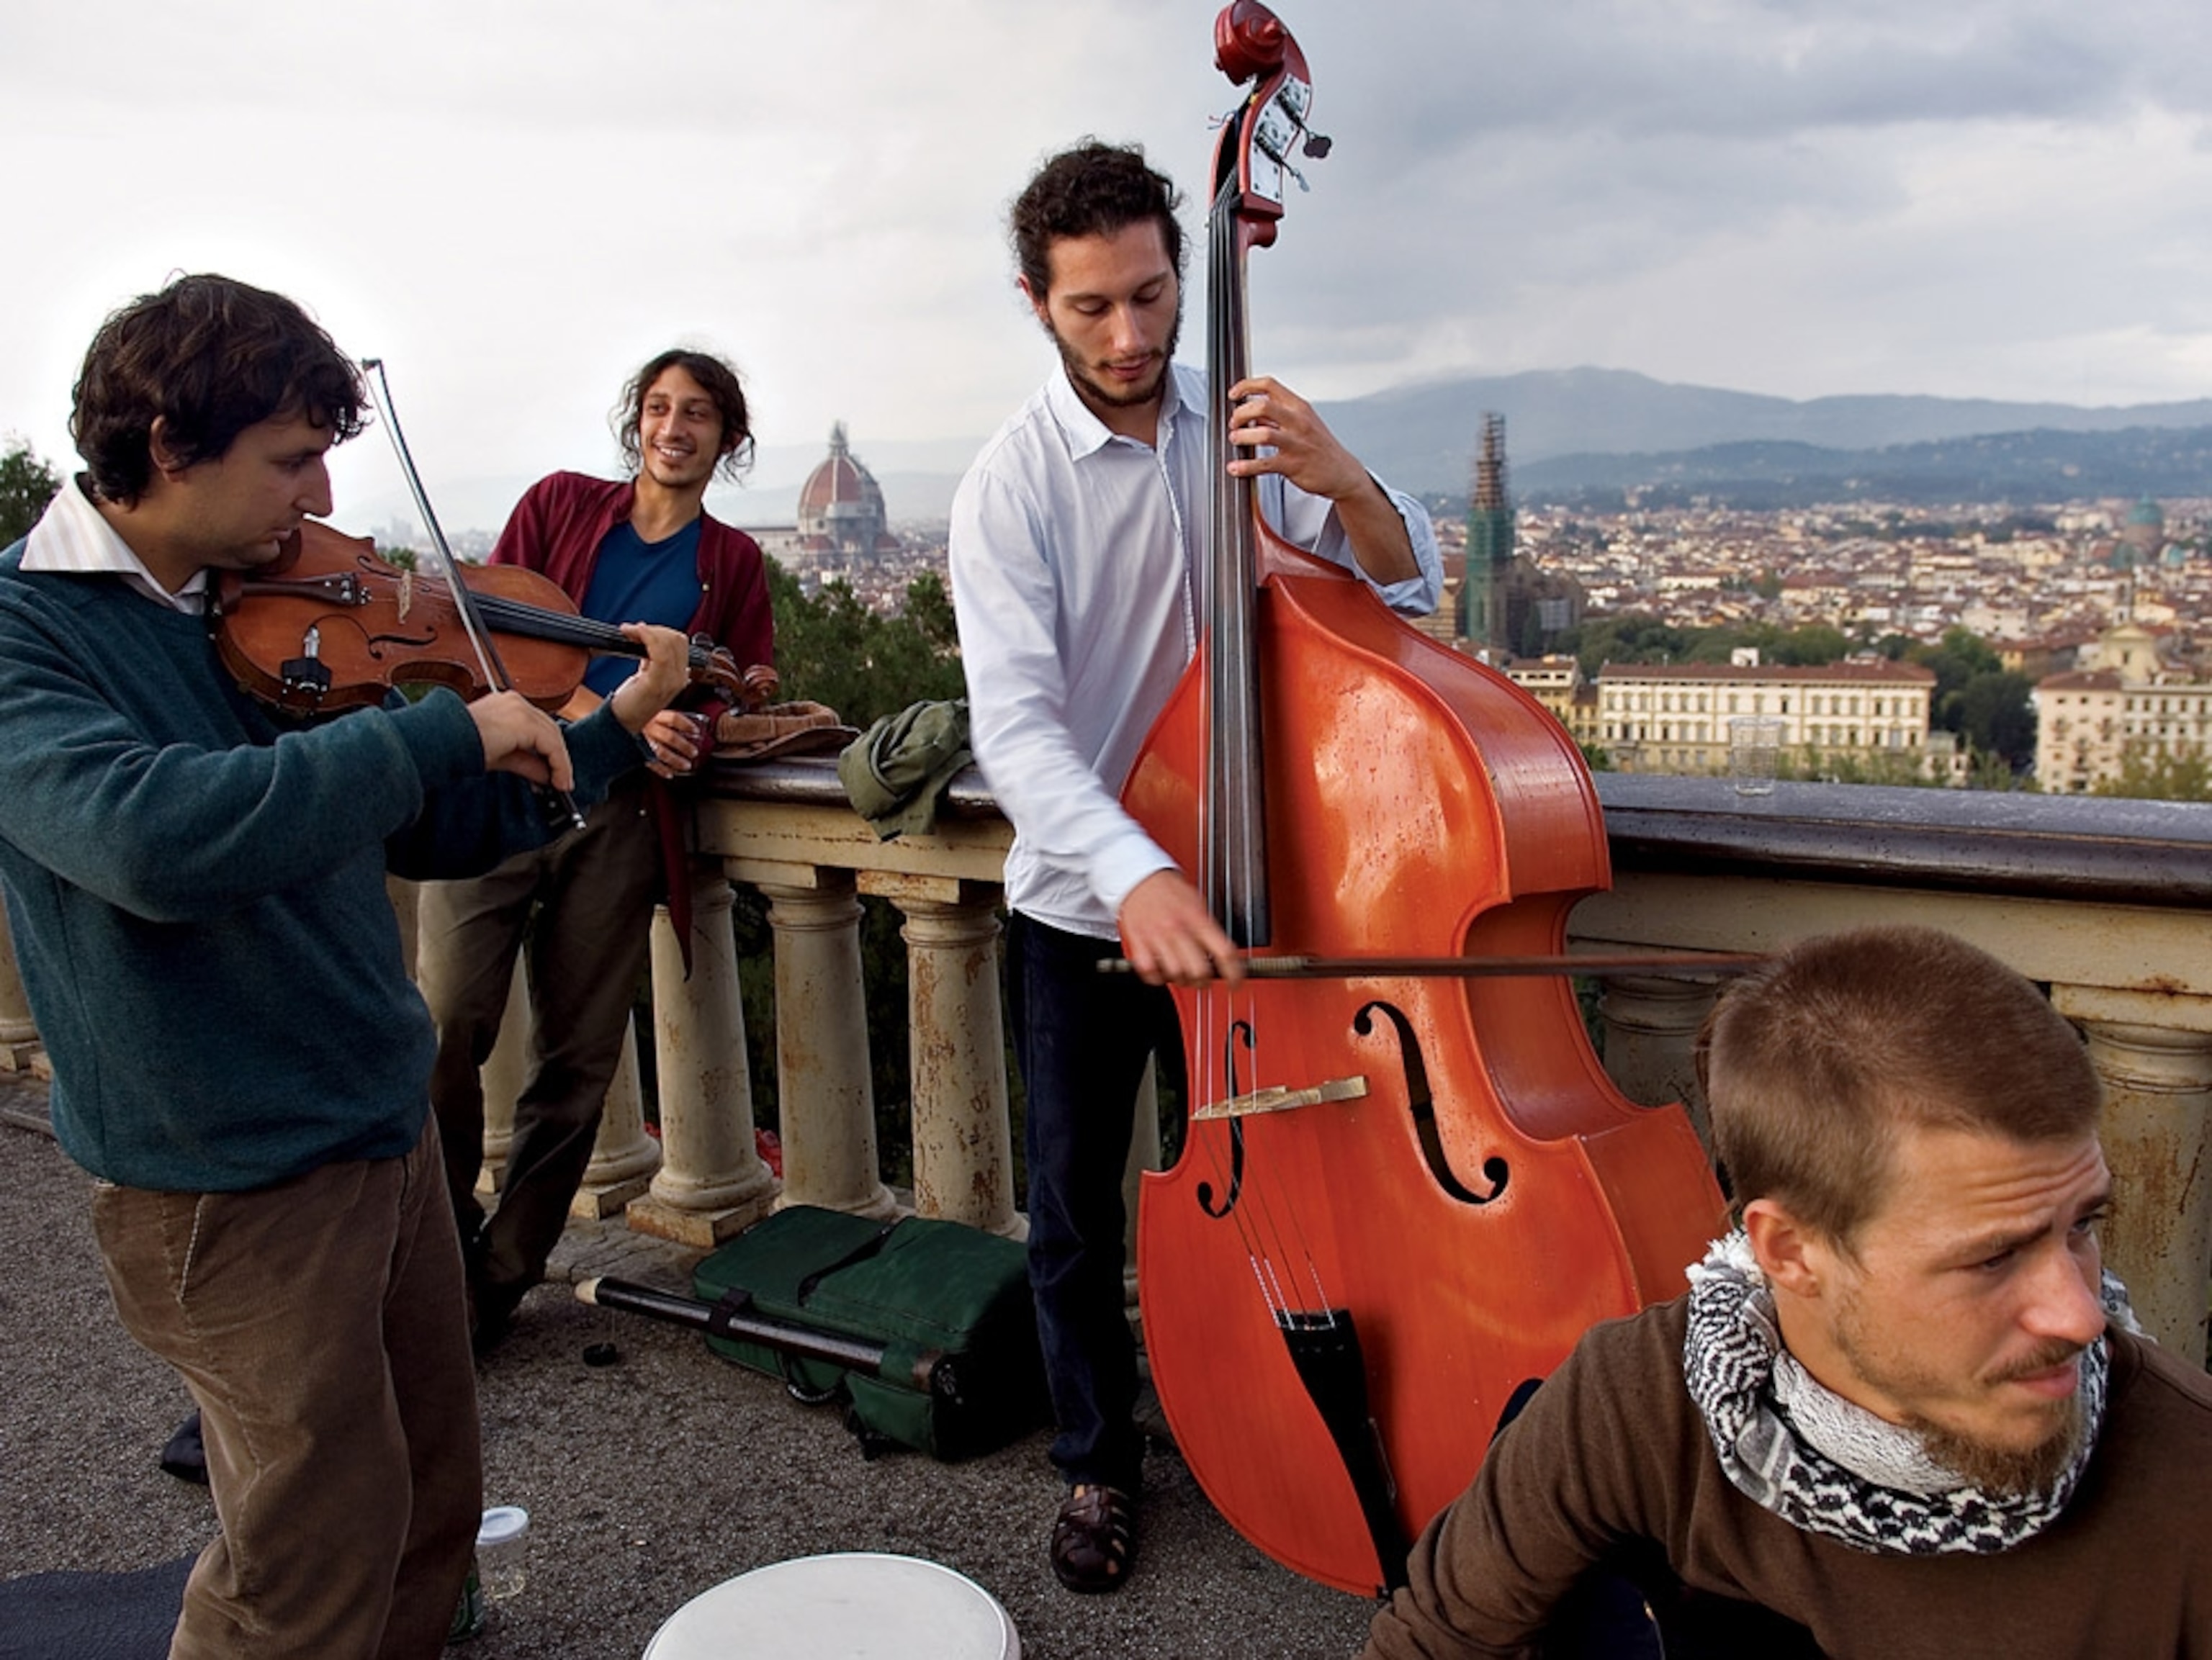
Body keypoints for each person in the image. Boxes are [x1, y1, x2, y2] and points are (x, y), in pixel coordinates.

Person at [0, 273, 693, 1658]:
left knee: (429, 1507)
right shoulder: (32, 633)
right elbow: (152, 838)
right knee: (303, 1565)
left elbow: (429, 823)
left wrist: (602, 732)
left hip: (377, 1126)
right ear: (158, 440)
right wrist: (441, 730)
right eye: (290, 457)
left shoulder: (240, 602)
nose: (319, 494)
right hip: (229, 1170)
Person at [946, 140, 1441, 1594]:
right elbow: (1016, 733)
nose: (1133, 335)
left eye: (1154, 295)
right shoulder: (1009, 487)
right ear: (1037, 302)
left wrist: (1343, 479)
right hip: (1085, 910)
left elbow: (1390, 595)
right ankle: (1101, 1461)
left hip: (1251, 888)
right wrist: (1130, 869)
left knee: (1296, 1169)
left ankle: (1294, 1417)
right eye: (1093, 307)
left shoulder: (1236, 434)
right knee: (1078, 1205)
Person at [1360, 924, 2212, 1659]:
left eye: (2082, 1225)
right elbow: (1435, 1639)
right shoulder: (1642, 1398)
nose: (2079, 1312)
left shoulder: (2185, 1491)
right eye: (1992, 1259)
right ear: (1791, 1250)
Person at [413, 348, 773, 1350]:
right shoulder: (559, 506)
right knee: (443, 1026)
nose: (674, 426)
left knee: (577, 1059)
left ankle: (497, 1280)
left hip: (617, 816)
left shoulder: (733, 561)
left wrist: (685, 726)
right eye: (658, 407)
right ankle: (432, 1255)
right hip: (500, 789)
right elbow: (486, 635)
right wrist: (609, 707)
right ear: (636, 424)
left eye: (698, 412)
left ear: (726, 439)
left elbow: (745, 681)